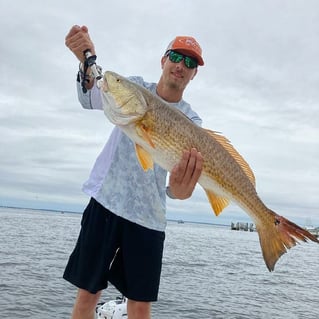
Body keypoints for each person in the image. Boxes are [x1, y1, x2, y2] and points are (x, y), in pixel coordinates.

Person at [64, 25, 204, 319]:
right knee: (87, 295)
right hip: (105, 203)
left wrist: (181, 187)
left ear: (194, 74)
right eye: (176, 57)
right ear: (163, 60)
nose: (181, 66)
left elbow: (179, 192)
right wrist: (85, 59)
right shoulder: (135, 88)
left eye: (190, 63)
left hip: (149, 217)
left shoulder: (192, 121)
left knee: (140, 305)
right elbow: (90, 95)